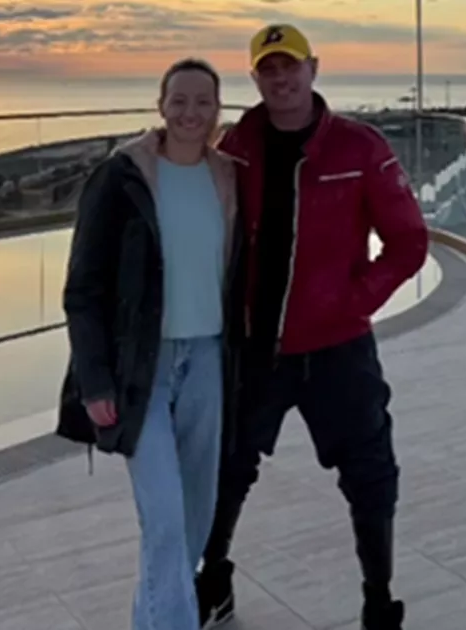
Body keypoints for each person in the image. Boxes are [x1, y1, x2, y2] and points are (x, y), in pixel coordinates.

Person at [195, 24, 429, 630]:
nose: (282, 79)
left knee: (370, 474)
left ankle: (379, 601)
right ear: (256, 78)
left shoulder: (359, 147)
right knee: (228, 470)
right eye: (269, 69)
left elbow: (408, 242)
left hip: (338, 349)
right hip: (256, 350)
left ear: (313, 68)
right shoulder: (234, 148)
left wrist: (354, 301)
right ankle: (213, 580)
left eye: (291, 66)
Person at [57, 58, 242, 630]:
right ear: (160, 105)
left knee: (193, 521)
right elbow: (83, 287)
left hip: (207, 360)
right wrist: (95, 380)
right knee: (164, 521)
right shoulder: (122, 176)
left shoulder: (228, 177)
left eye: (203, 102)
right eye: (179, 100)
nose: (191, 112)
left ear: (218, 109)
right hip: (142, 369)